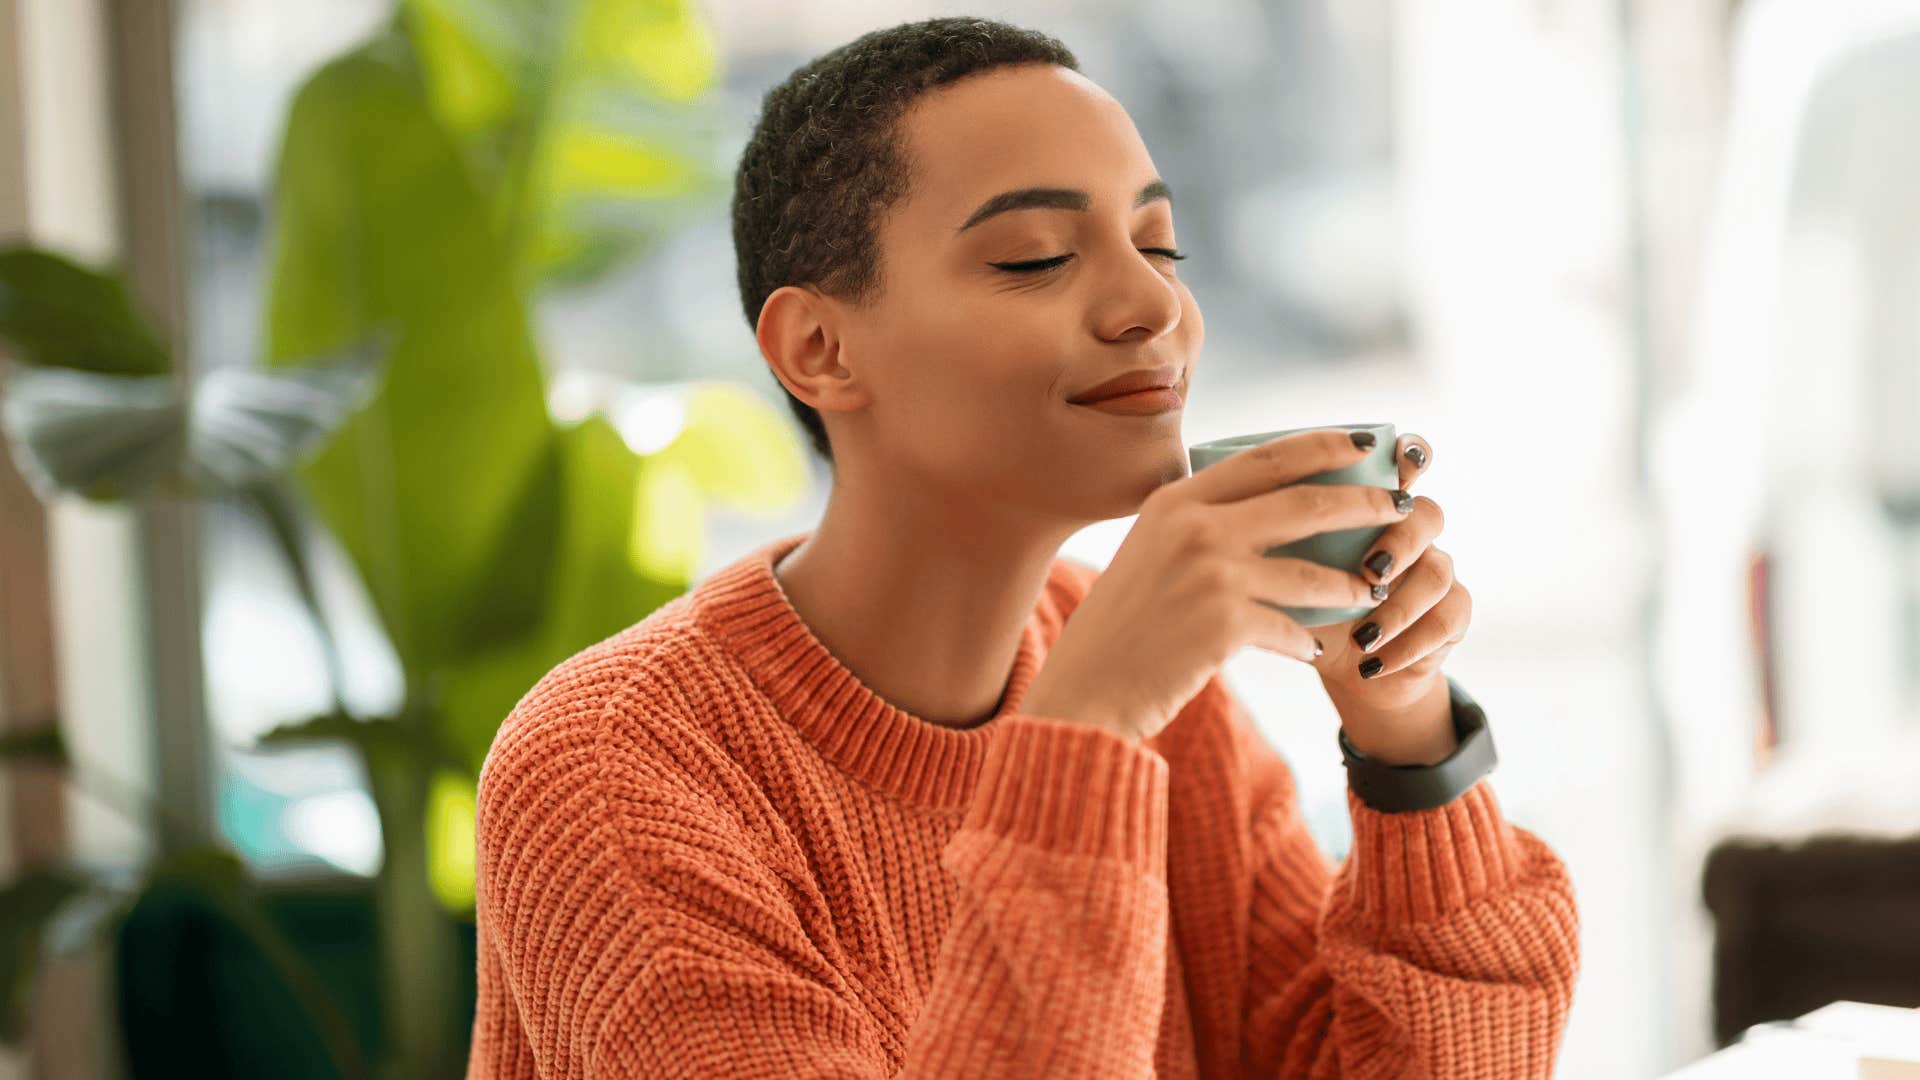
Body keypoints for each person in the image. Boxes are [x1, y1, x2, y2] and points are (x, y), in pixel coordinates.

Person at [466, 16, 1579, 1078]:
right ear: (819, 348)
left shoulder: (1170, 713)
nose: (1155, 303)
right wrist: (1084, 733)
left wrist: (1407, 744)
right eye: (1036, 258)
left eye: (1160, 242)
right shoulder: (612, 772)